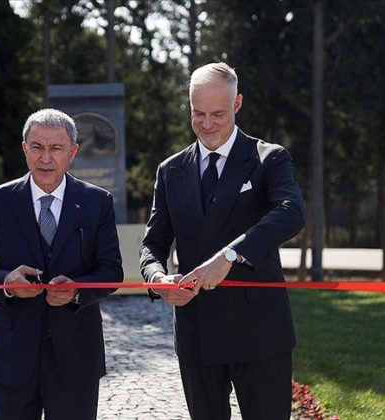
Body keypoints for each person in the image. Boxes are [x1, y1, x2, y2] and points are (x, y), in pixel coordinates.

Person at [139, 62, 305, 420]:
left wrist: (231, 255)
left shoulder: (269, 158)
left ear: (238, 104)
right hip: (196, 334)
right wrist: (158, 280)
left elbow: (291, 212)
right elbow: (152, 245)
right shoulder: (171, 170)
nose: (207, 123)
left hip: (259, 335)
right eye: (198, 113)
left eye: (218, 113)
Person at [0, 108, 123, 420]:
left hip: (76, 354)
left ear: (73, 152)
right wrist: (6, 282)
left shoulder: (97, 203)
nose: (45, 158)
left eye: (56, 148)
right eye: (37, 147)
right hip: (14, 357)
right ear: (25, 149)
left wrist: (78, 291)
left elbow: (111, 271)